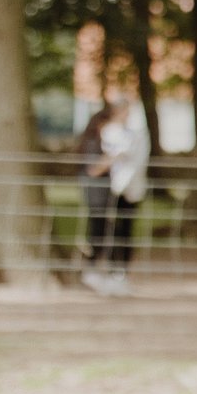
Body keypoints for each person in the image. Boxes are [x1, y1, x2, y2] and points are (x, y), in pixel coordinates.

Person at [81, 95, 148, 296]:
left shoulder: (132, 134)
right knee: (104, 230)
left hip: (127, 189)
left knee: (122, 231)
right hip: (109, 191)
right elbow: (95, 168)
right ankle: (98, 271)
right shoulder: (106, 136)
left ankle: (118, 274)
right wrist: (110, 160)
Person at [73, 103, 112, 282]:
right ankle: (90, 267)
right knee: (96, 228)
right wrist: (113, 158)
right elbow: (93, 169)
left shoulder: (99, 143)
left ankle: (96, 267)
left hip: (102, 192)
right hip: (95, 192)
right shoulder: (92, 143)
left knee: (102, 228)